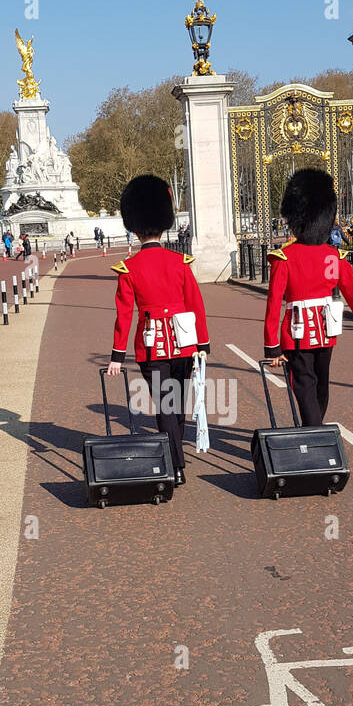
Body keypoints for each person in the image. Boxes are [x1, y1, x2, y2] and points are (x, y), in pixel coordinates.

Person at [105, 175, 209, 488]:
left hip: (152, 347)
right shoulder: (180, 262)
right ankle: (176, 457)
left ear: (134, 228)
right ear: (163, 224)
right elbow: (196, 304)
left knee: (165, 405)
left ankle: (175, 463)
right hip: (185, 344)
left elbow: (124, 315)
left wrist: (116, 356)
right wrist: (203, 343)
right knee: (177, 404)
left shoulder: (129, 268)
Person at [264, 169, 353, 427]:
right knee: (319, 386)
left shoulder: (283, 259)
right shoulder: (335, 257)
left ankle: (314, 434)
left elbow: (274, 305)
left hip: (295, 333)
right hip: (324, 331)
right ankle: (316, 433)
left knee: (307, 386)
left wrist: (272, 346)